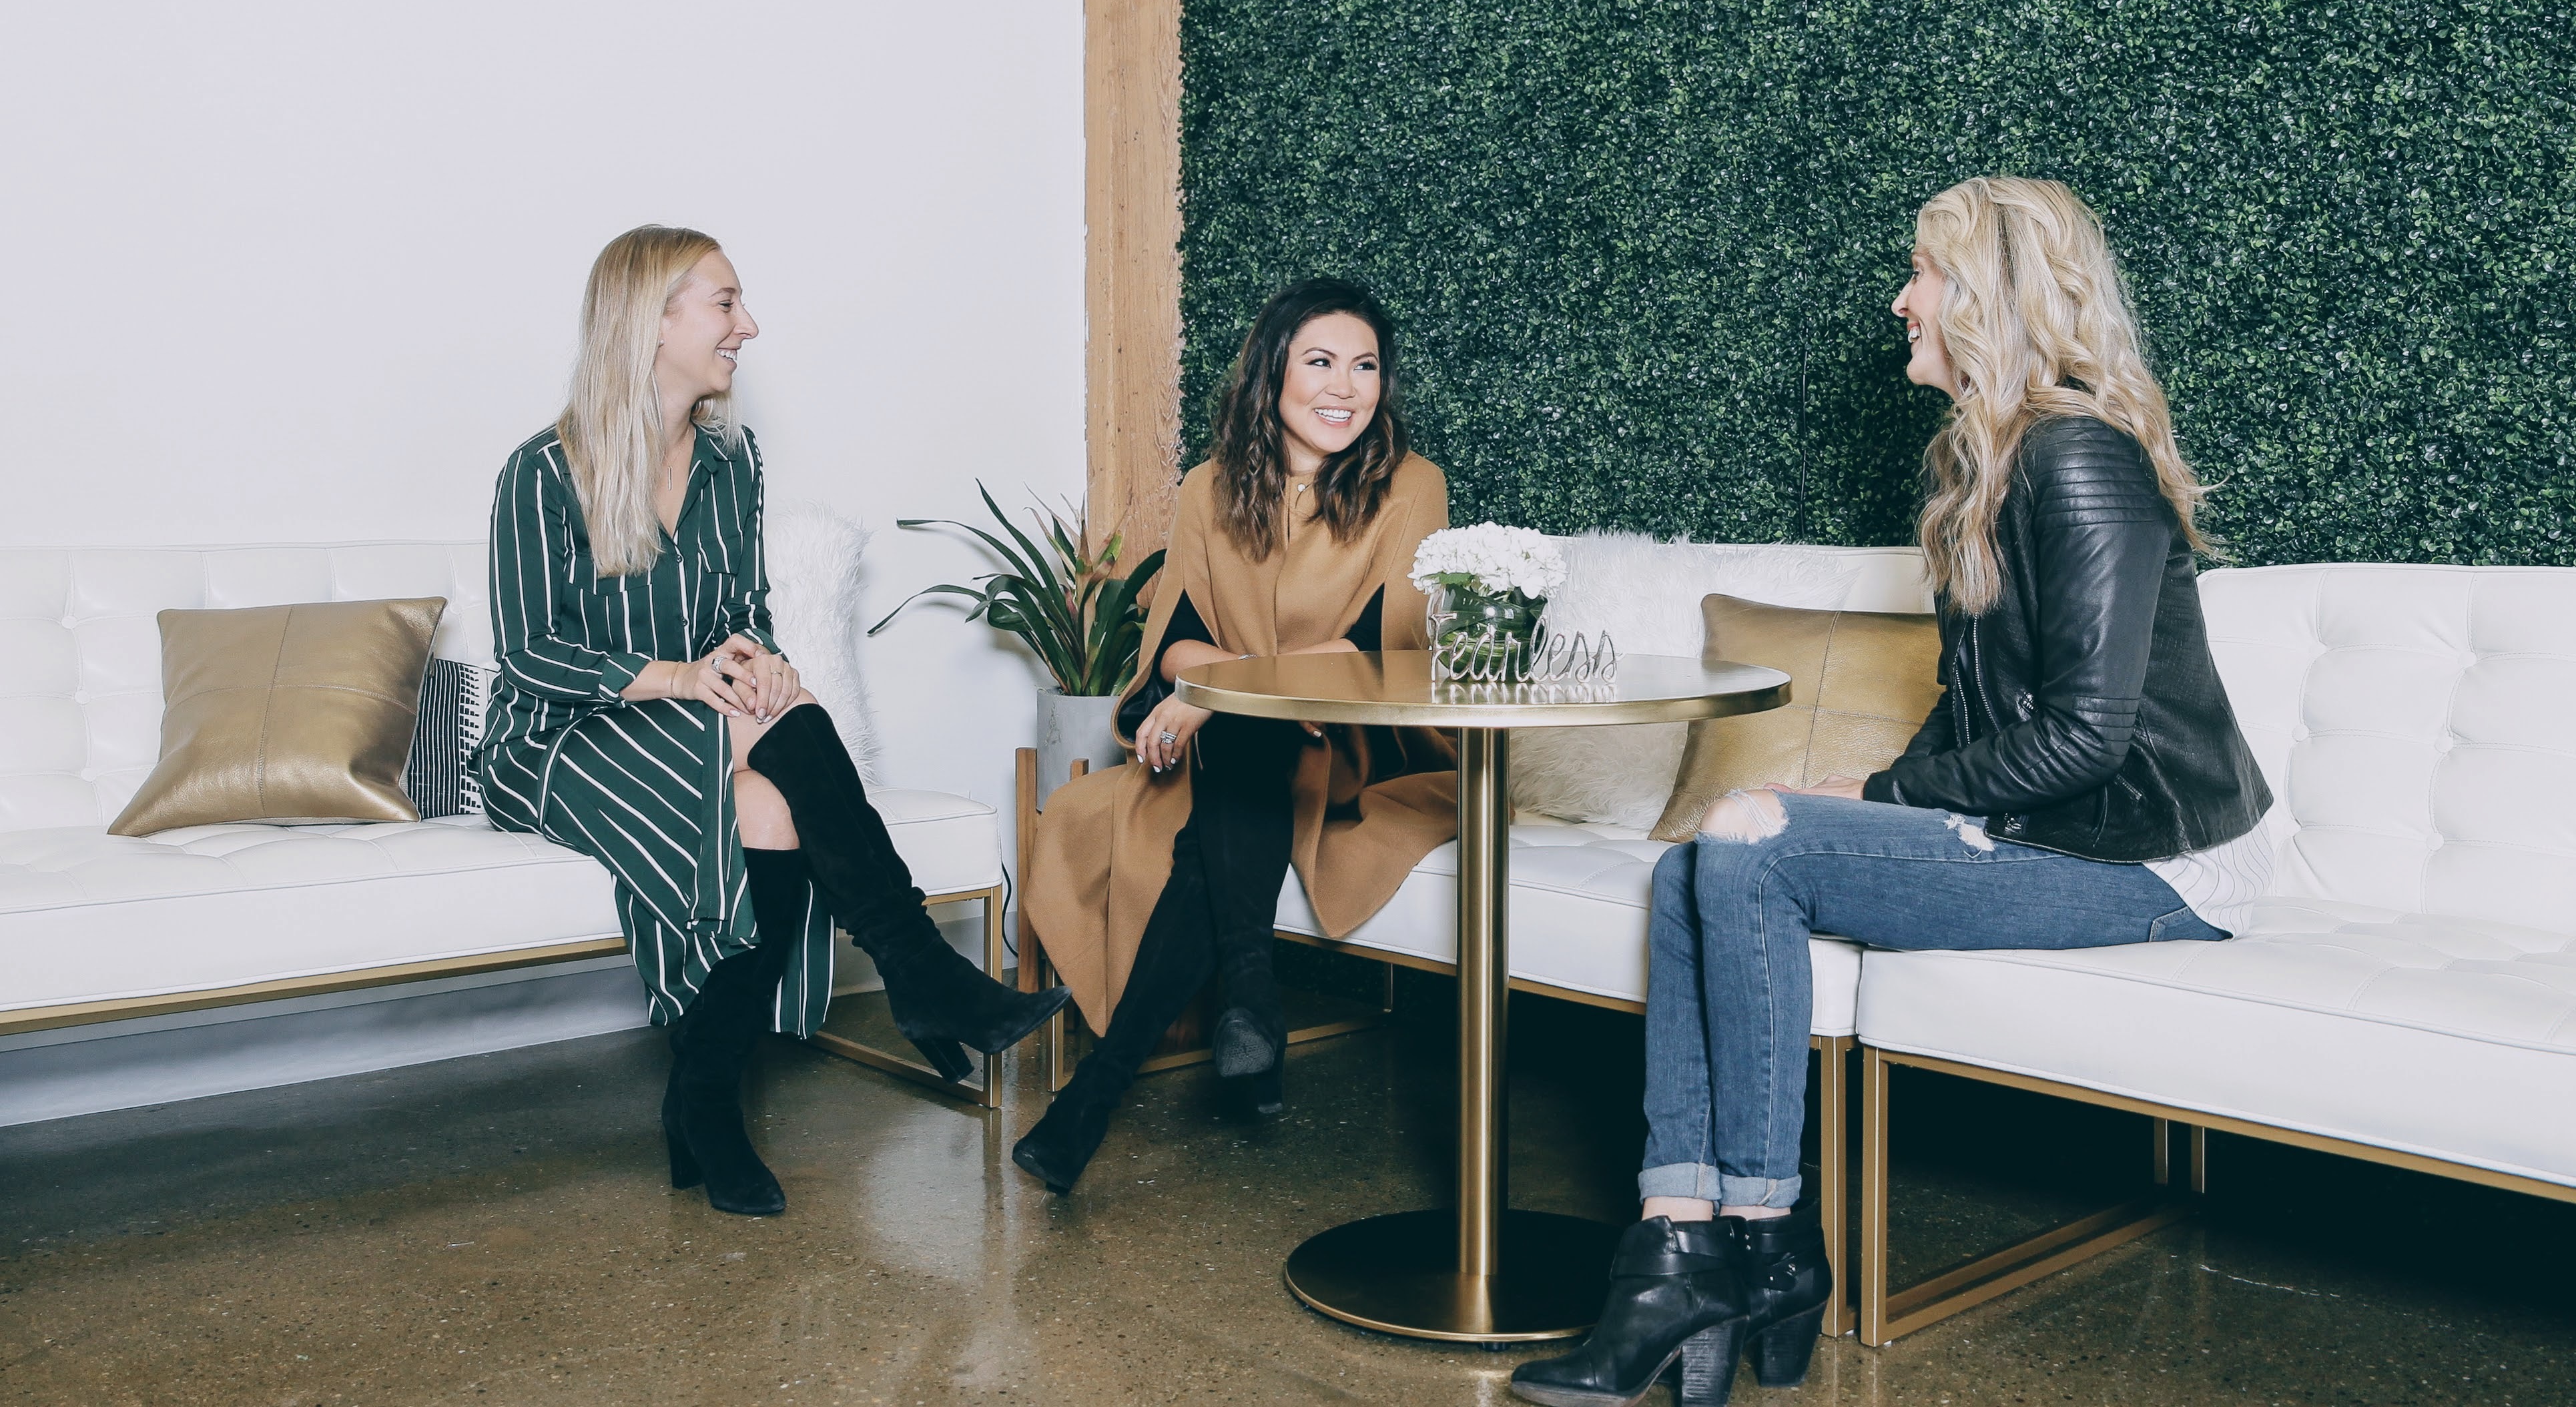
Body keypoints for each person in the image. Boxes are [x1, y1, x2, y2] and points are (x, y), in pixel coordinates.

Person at [1512, 178, 2274, 1406]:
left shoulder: (2081, 461)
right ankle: (1675, 1244)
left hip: (2143, 856)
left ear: (1988, 295)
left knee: (1751, 850)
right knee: (1701, 853)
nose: (1900, 300)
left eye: (1921, 273)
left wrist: (1872, 790)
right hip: (2051, 825)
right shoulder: (1986, 462)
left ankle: (1763, 1247)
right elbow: (1979, 703)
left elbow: (2084, 738)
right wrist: (1850, 794)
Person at [474, 225, 1066, 1217]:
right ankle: (917, 966)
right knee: (775, 738)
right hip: (554, 737)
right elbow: (531, 652)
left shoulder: (730, 463)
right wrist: (680, 675)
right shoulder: (541, 473)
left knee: (773, 797)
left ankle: (705, 1096)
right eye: (725, 303)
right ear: (651, 321)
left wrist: (759, 659)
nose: (748, 326)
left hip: (691, 721)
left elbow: (742, 610)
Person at [1014, 278, 1458, 1194]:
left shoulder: (1411, 484)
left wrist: (1221, 690)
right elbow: (1169, 636)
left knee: (1248, 740)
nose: (1346, 386)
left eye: (1366, 365)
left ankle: (1107, 1084)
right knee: (1247, 751)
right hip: (1242, 751)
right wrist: (1226, 690)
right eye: (1322, 361)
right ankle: (1238, 1007)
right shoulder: (1208, 490)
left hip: (1361, 751)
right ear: (1273, 374)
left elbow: (1383, 641)